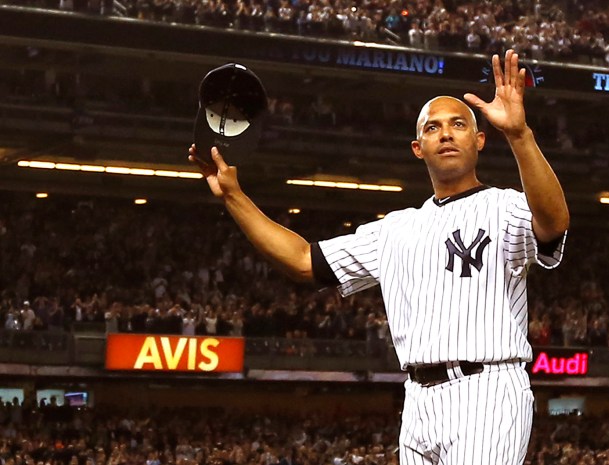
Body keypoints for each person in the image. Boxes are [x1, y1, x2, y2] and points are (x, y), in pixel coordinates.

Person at [188, 49, 569, 465]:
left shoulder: (505, 206)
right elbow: (303, 260)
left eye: (458, 125)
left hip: (487, 388)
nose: (445, 134)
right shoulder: (395, 229)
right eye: (433, 127)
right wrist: (233, 196)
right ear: (417, 147)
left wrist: (519, 135)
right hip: (418, 396)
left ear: (479, 140)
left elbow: (553, 221)